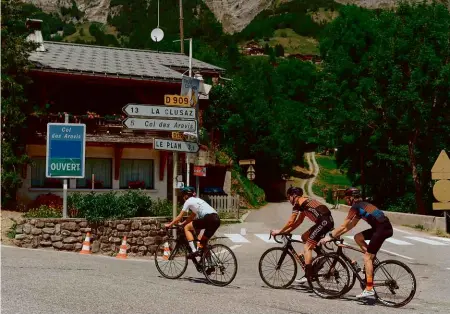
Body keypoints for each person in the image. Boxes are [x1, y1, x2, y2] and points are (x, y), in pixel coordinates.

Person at [320, 187, 393, 299]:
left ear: (351, 198)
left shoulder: (355, 207)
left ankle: (369, 289)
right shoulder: (362, 205)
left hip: (382, 229)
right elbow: (351, 225)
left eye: (346, 198)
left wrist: (329, 236)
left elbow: (344, 225)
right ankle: (370, 257)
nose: (346, 201)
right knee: (358, 237)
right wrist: (337, 234)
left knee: (367, 257)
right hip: (383, 227)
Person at [271, 186, 334, 284]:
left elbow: (291, 221)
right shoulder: (305, 202)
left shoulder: (298, 204)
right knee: (304, 237)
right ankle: (321, 255)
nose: (289, 200)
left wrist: (280, 231)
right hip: (326, 221)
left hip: (323, 223)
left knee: (307, 248)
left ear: (294, 196)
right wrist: (286, 231)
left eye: (289, 197)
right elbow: (298, 222)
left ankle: (308, 275)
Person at [165, 186, 220, 258]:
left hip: (208, 218)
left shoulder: (188, 201)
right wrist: (182, 223)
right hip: (216, 219)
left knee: (187, 228)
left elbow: (179, 216)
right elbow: (191, 217)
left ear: (186, 195)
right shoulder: (198, 200)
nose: (183, 197)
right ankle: (210, 265)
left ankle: (194, 251)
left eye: (183, 195)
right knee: (203, 242)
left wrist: (170, 225)